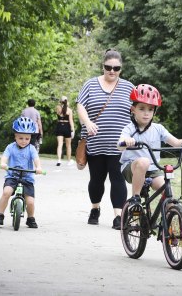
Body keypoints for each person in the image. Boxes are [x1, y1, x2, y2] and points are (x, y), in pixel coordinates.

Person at [76, 49, 134, 229]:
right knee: (96, 180)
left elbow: (138, 110)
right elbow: (80, 105)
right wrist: (87, 122)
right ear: (103, 66)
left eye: (116, 68)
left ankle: (118, 216)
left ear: (121, 69)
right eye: (108, 67)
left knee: (118, 179)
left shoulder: (129, 87)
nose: (112, 71)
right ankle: (95, 208)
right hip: (96, 142)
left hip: (120, 145)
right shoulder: (90, 85)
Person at [118, 84, 182, 206]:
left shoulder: (158, 129)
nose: (146, 113)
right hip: (131, 168)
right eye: (142, 109)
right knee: (143, 161)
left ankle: (168, 216)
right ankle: (135, 198)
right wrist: (126, 141)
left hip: (153, 169)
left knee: (166, 190)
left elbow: (176, 143)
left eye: (150, 109)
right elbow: (119, 145)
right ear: (133, 110)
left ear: (154, 111)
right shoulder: (129, 128)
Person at [0, 117, 43, 228]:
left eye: (27, 138)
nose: (24, 141)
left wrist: (38, 167)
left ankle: (30, 218)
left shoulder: (31, 149)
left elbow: (36, 160)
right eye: (20, 138)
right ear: (15, 136)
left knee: (30, 202)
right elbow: (4, 158)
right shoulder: (10, 147)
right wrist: (3, 164)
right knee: (6, 192)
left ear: (30, 137)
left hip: (27, 179)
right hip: (12, 177)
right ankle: (0, 215)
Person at [55, 96, 75, 166]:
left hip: (59, 126)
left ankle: (59, 160)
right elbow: (71, 121)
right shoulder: (69, 110)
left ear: (60, 101)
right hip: (67, 127)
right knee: (68, 145)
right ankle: (69, 160)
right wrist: (72, 130)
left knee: (60, 144)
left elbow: (59, 110)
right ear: (67, 101)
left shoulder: (58, 108)